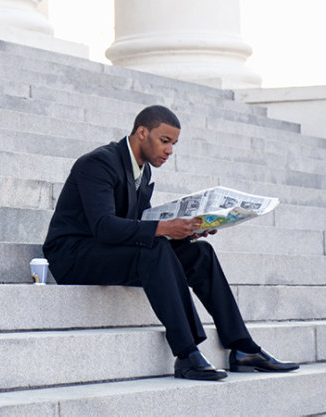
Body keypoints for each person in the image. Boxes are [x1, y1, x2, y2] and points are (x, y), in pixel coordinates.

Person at [42, 105, 299, 381]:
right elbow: (104, 227)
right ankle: (187, 353)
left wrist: (186, 231)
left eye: (173, 144)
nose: (169, 151)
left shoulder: (143, 171)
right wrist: (164, 228)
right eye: (165, 141)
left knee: (199, 252)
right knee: (155, 247)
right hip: (74, 256)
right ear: (142, 133)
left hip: (111, 251)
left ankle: (243, 348)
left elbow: (139, 222)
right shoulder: (99, 163)